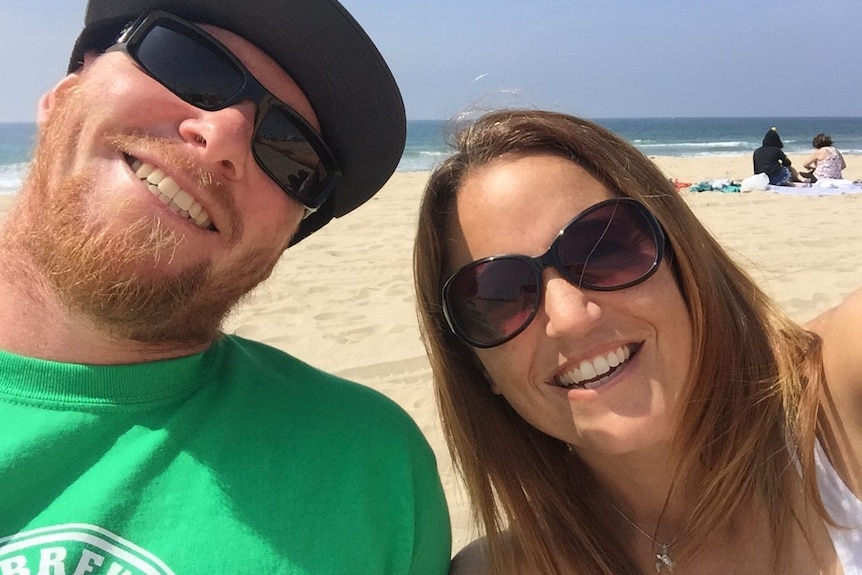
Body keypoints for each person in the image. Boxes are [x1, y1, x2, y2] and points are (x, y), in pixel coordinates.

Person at [0, 1, 451, 573]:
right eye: (186, 62)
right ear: (64, 93)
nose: (224, 137)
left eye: (293, 154)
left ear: (280, 245)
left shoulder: (372, 470)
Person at [414, 109, 862, 574]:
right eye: (500, 295)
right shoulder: (501, 569)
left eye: (604, 247)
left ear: (681, 255)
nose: (569, 319)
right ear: (476, 366)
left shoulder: (839, 405)